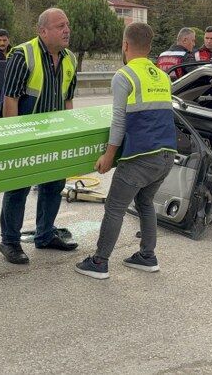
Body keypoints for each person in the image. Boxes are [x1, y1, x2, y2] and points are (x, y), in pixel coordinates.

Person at [75, 22, 176, 280]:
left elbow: (119, 120)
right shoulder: (162, 75)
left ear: (125, 45)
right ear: (150, 47)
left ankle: (99, 261)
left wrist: (109, 155)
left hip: (140, 156)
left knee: (115, 207)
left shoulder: (125, 75)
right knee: (144, 202)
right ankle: (147, 256)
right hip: (166, 155)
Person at [0, 8, 79, 264]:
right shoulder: (23, 55)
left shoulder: (70, 59)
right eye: (59, 26)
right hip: (26, 136)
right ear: (42, 31)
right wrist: (15, 139)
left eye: (67, 25)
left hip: (54, 137)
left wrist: (67, 135)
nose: (66, 30)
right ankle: (9, 241)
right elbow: (10, 99)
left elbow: (68, 100)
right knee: (18, 189)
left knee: (53, 186)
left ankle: (45, 235)